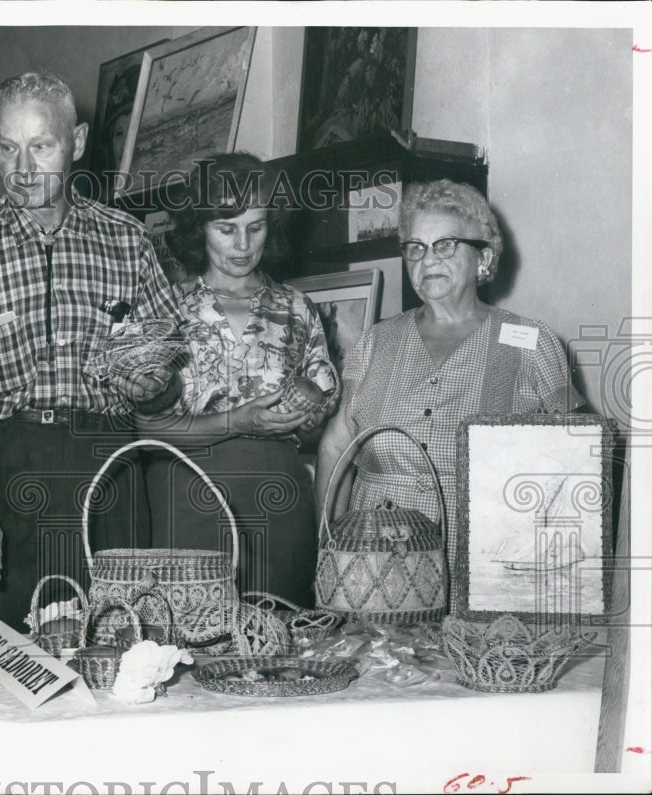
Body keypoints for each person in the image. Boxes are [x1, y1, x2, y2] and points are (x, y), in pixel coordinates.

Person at [0, 71, 181, 637]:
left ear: (78, 142)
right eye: (9, 148)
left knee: (117, 666)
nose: (24, 169)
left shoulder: (128, 241)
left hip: (106, 474)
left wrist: (152, 383)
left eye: (42, 146)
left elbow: (167, 384)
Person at [315, 179, 585, 574]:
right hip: (372, 569)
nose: (428, 261)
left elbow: (578, 458)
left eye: (445, 245)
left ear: (484, 258)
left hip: (484, 566)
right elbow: (334, 448)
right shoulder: (377, 340)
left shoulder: (531, 342)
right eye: (416, 248)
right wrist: (328, 552)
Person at [138, 152, 340, 606]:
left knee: (281, 646)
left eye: (256, 226)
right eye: (225, 228)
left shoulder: (296, 308)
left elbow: (321, 416)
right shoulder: (164, 310)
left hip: (278, 501)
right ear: (197, 228)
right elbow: (141, 431)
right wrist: (237, 421)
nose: (243, 244)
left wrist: (306, 414)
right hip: (187, 494)